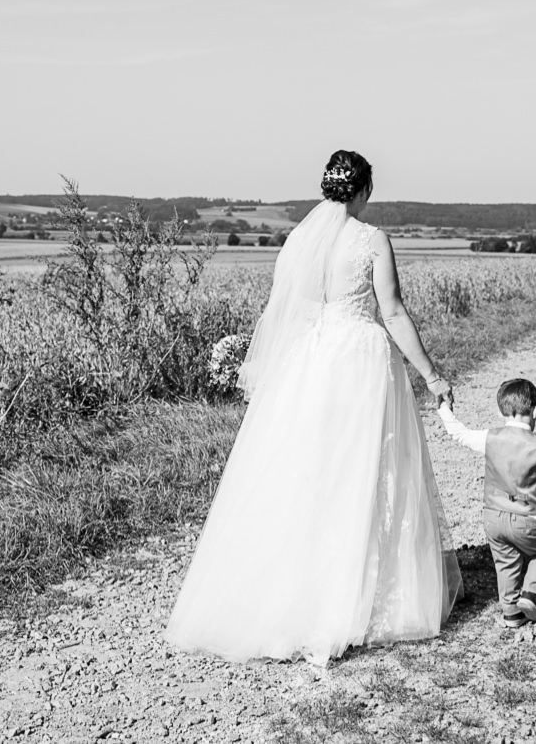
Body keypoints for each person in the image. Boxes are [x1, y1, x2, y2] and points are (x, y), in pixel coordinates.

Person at [165, 150, 462, 665]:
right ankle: (362, 596)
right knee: (361, 471)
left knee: (305, 472)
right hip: (359, 363)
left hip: (308, 361)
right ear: (364, 190)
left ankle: (290, 594)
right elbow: (391, 311)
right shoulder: (372, 241)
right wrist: (431, 374)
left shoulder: (299, 240)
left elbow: (291, 311)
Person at [437, 378, 536, 631]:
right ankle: (531, 594)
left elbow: (458, 433)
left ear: (500, 411)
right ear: (535, 411)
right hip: (527, 520)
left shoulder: (490, 438)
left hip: (493, 518)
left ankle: (512, 613)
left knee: (506, 562)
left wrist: (443, 408)